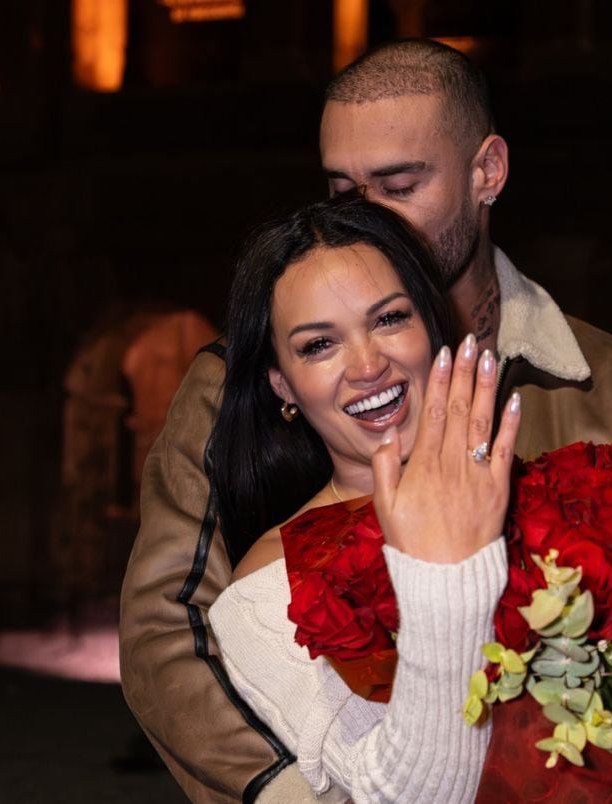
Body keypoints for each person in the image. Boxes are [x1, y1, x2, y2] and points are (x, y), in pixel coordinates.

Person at [118, 39, 612, 802]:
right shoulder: (237, 383)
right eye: (342, 190)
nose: (365, 218)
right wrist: (286, 791)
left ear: (487, 172)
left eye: (398, 184)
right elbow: (166, 630)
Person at [206, 193, 519, 802]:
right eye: (319, 345)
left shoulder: (549, 492)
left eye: (389, 318)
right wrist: (448, 572)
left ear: (433, 329)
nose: (369, 364)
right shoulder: (268, 589)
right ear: (282, 385)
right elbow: (402, 794)